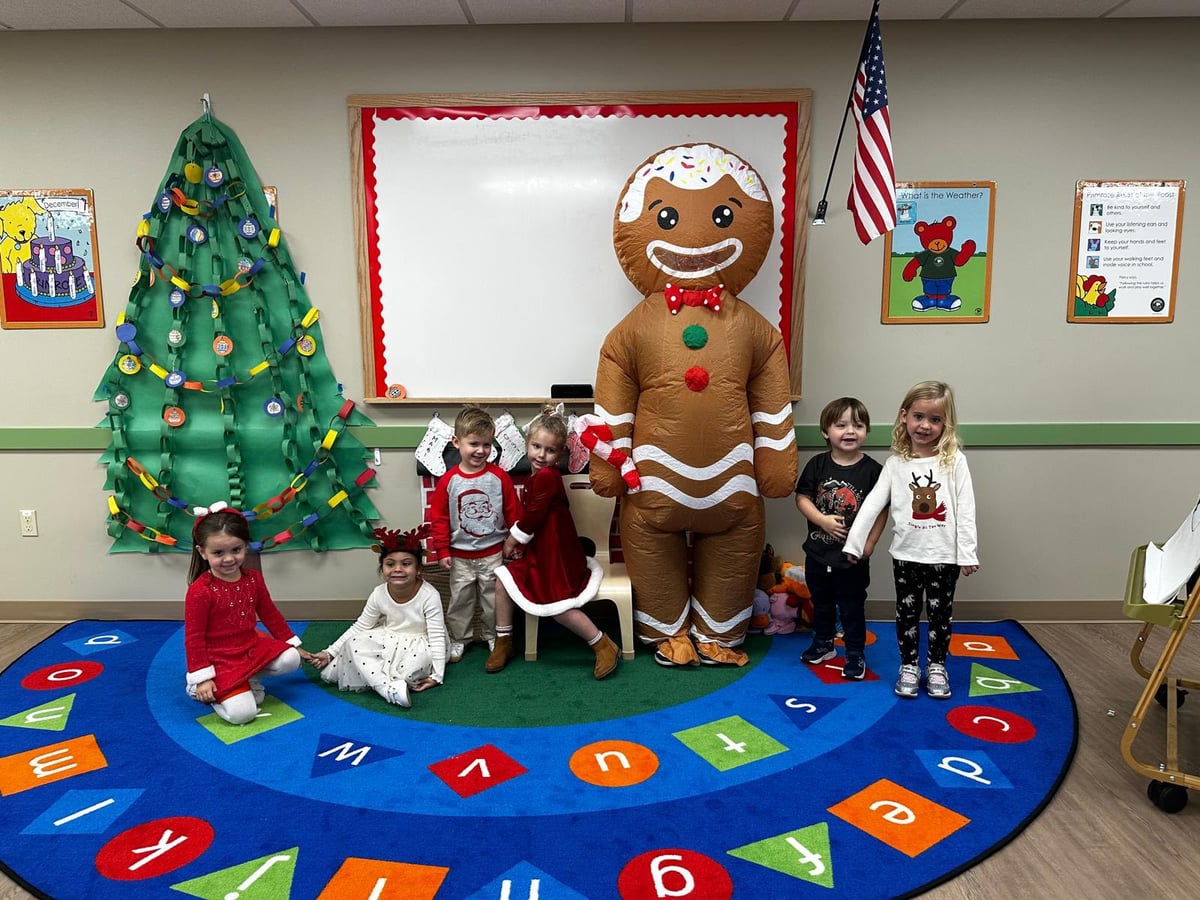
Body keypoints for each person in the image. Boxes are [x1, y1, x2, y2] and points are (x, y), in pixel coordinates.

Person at [844, 381, 979, 700]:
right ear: (904, 417)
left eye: (935, 420)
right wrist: (854, 544)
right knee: (906, 615)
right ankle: (908, 665)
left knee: (940, 616)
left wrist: (967, 552)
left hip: (945, 558)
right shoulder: (895, 465)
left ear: (946, 424)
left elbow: (966, 507)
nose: (925, 425)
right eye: (919, 416)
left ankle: (936, 666)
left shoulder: (954, 461)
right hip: (905, 556)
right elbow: (872, 505)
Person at [486, 406, 619, 679]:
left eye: (550, 450)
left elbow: (533, 516)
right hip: (542, 553)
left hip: (557, 556)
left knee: (557, 605)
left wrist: (513, 540)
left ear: (560, 455)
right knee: (502, 581)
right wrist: (522, 541)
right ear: (527, 446)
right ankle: (504, 641)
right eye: (536, 447)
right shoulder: (534, 477)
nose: (541, 455)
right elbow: (531, 517)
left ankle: (601, 642)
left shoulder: (547, 476)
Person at [184, 503, 310, 725]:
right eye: (218, 553)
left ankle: (248, 677)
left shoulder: (253, 578)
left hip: (249, 647)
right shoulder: (199, 591)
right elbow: (193, 638)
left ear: (246, 546)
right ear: (202, 552)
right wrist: (202, 678)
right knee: (243, 714)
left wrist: (293, 643)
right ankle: (203, 690)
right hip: (219, 658)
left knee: (291, 658)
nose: (229, 559)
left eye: (236, 550)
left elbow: (270, 614)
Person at [794, 397, 887, 680]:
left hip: (851, 558)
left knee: (851, 606)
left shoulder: (873, 470)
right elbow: (802, 498)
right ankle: (824, 643)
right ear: (826, 431)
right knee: (821, 603)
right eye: (841, 425)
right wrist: (821, 520)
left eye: (858, 425)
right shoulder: (817, 465)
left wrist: (869, 544)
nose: (850, 431)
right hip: (818, 554)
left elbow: (882, 510)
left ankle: (855, 652)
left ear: (866, 431)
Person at [309, 525, 447, 708]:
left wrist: (437, 675)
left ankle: (384, 681)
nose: (398, 569)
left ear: (418, 568)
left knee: (408, 673)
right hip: (389, 636)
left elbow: (437, 636)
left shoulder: (429, 594)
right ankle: (387, 689)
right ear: (382, 568)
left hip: (421, 641)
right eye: (390, 564)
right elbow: (360, 626)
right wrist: (330, 653)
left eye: (406, 564)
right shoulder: (379, 593)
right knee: (354, 644)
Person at [428, 405, 521, 663]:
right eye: (473, 444)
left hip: (494, 552)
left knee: (493, 599)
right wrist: (443, 550)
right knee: (460, 599)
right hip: (460, 556)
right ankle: (459, 639)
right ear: (456, 442)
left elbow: (513, 511)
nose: (481, 451)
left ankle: (495, 635)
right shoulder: (449, 481)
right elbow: (439, 519)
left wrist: (516, 540)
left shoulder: (499, 478)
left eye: (487, 444)